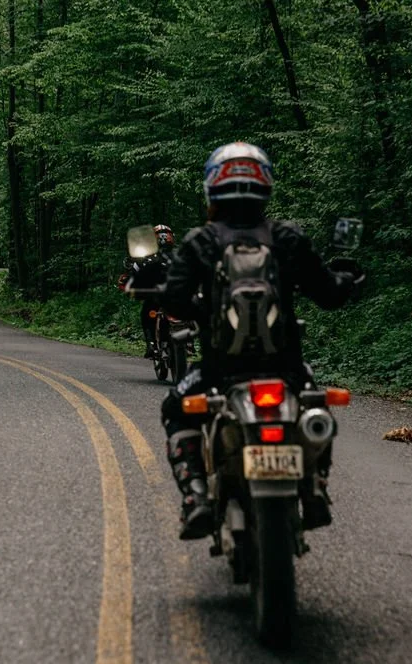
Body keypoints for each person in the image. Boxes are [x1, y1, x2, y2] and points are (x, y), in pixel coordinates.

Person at [160, 142, 363, 540]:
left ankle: (196, 497)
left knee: (176, 408)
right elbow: (328, 294)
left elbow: (174, 301)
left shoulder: (200, 241)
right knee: (315, 403)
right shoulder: (286, 236)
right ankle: (317, 483)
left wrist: (191, 305)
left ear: (212, 188)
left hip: (221, 370)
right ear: (265, 183)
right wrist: (349, 279)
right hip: (285, 369)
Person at [120, 225, 176, 358]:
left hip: (159, 296)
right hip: (172, 296)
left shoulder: (145, 258)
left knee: (147, 313)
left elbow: (132, 276)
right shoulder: (180, 255)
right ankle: (153, 344)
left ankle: (151, 344)